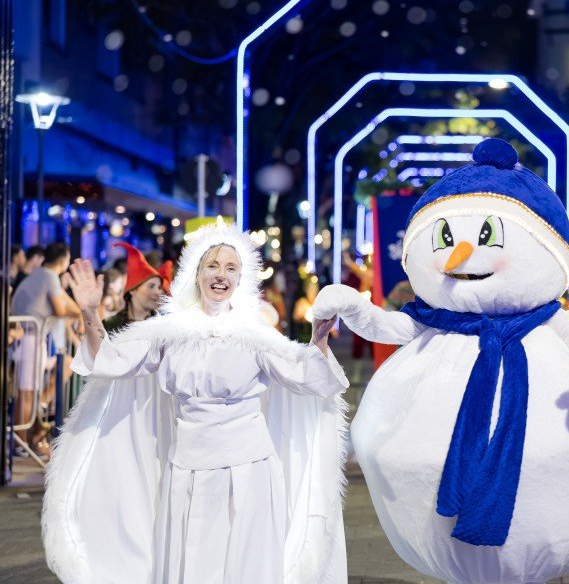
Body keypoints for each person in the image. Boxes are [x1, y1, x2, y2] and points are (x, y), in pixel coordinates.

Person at [43, 223, 350, 584]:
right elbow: (110, 361)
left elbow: (308, 377)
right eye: (213, 265)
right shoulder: (169, 333)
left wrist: (318, 342)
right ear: (197, 272)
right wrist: (90, 312)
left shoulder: (255, 335)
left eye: (231, 267)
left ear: (242, 277)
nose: (221, 275)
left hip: (250, 471)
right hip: (187, 469)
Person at [10, 242, 80, 458]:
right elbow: (60, 308)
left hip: (30, 339)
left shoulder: (43, 274)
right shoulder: (49, 276)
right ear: (64, 259)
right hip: (30, 339)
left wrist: (77, 310)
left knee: (29, 391)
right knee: (27, 393)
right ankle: (22, 442)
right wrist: (77, 312)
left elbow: (66, 304)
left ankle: (28, 437)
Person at [102, 243, 166, 332]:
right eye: (151, 286)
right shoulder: (110, 326)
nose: (158, 292)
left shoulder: (163, 327)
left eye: (159, 287)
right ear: (133, 290)